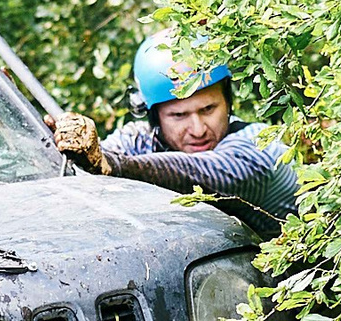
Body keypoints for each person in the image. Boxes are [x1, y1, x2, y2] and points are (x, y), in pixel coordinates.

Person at [46, 32, 297, 235]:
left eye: (208, 109)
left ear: (228, 103)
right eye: (179, 116)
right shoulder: (140, 140)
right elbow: (81, 175)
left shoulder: (262, 147)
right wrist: (49, 145)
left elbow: (204, 173)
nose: (198, 130)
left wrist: (108, 163)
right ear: (154, 116)